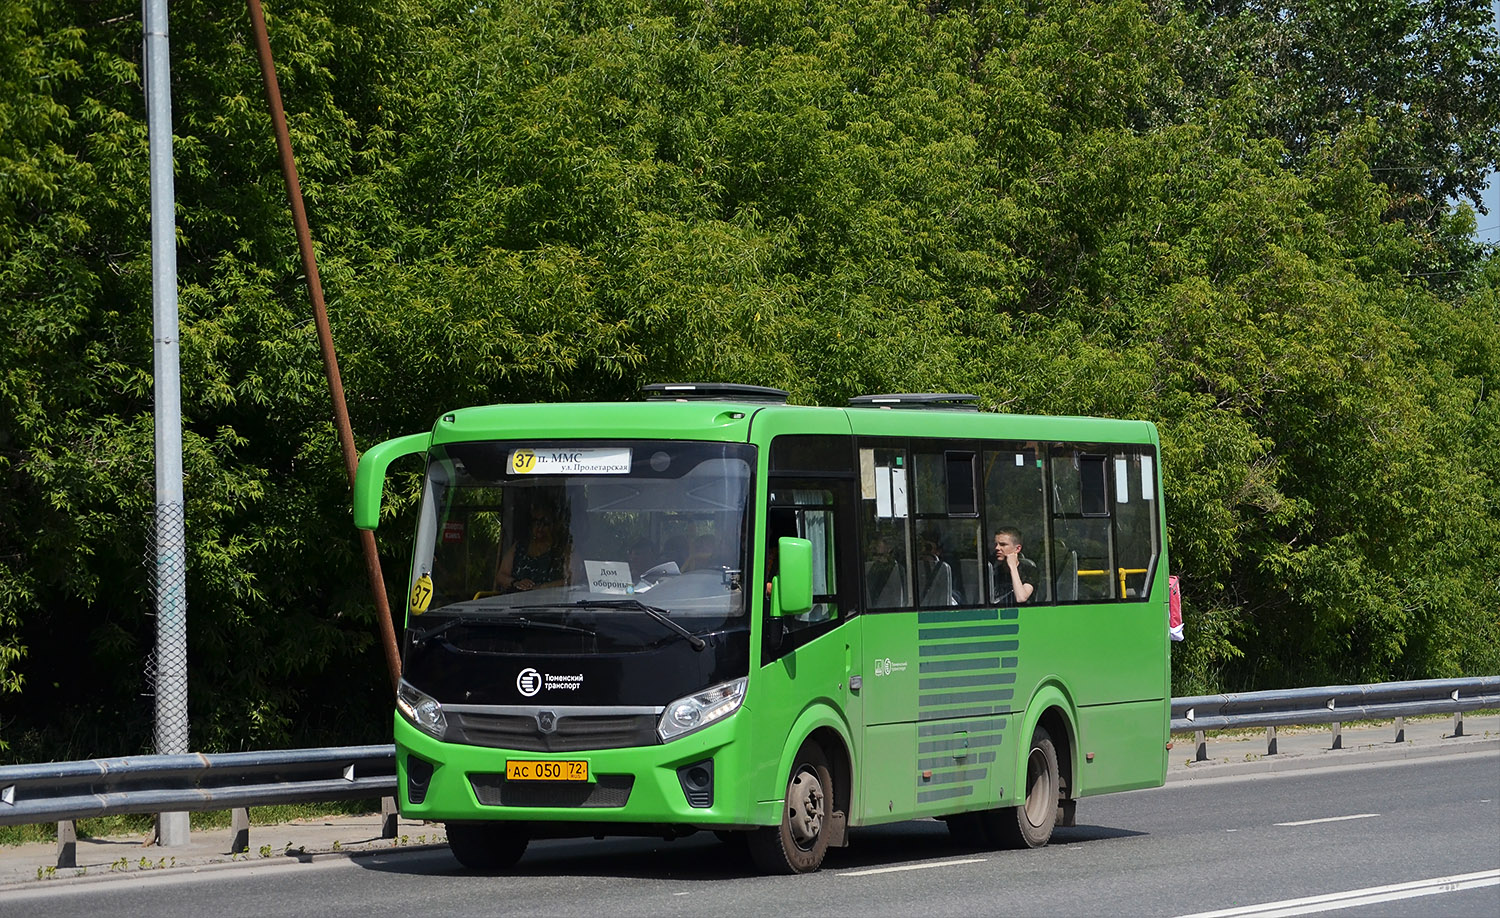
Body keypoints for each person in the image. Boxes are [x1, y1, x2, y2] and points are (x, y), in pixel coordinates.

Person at [495, 502, 568, 593]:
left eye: (545, 523)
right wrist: (516, 583)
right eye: (536, 522)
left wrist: (541, 587)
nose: (540, 528)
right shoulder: (519, 547)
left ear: (554, 525)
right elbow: (501, 576)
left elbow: (574, 581)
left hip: (553, 603)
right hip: (516, 603)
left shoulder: (563, 550)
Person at [991, 527, 1036, 605]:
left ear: (1017, 549)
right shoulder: (994, 571)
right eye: (996, 544)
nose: (997, 548)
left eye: (1003, 544)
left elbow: (1021, 598)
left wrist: (1012, 567)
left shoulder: (1030, 571)